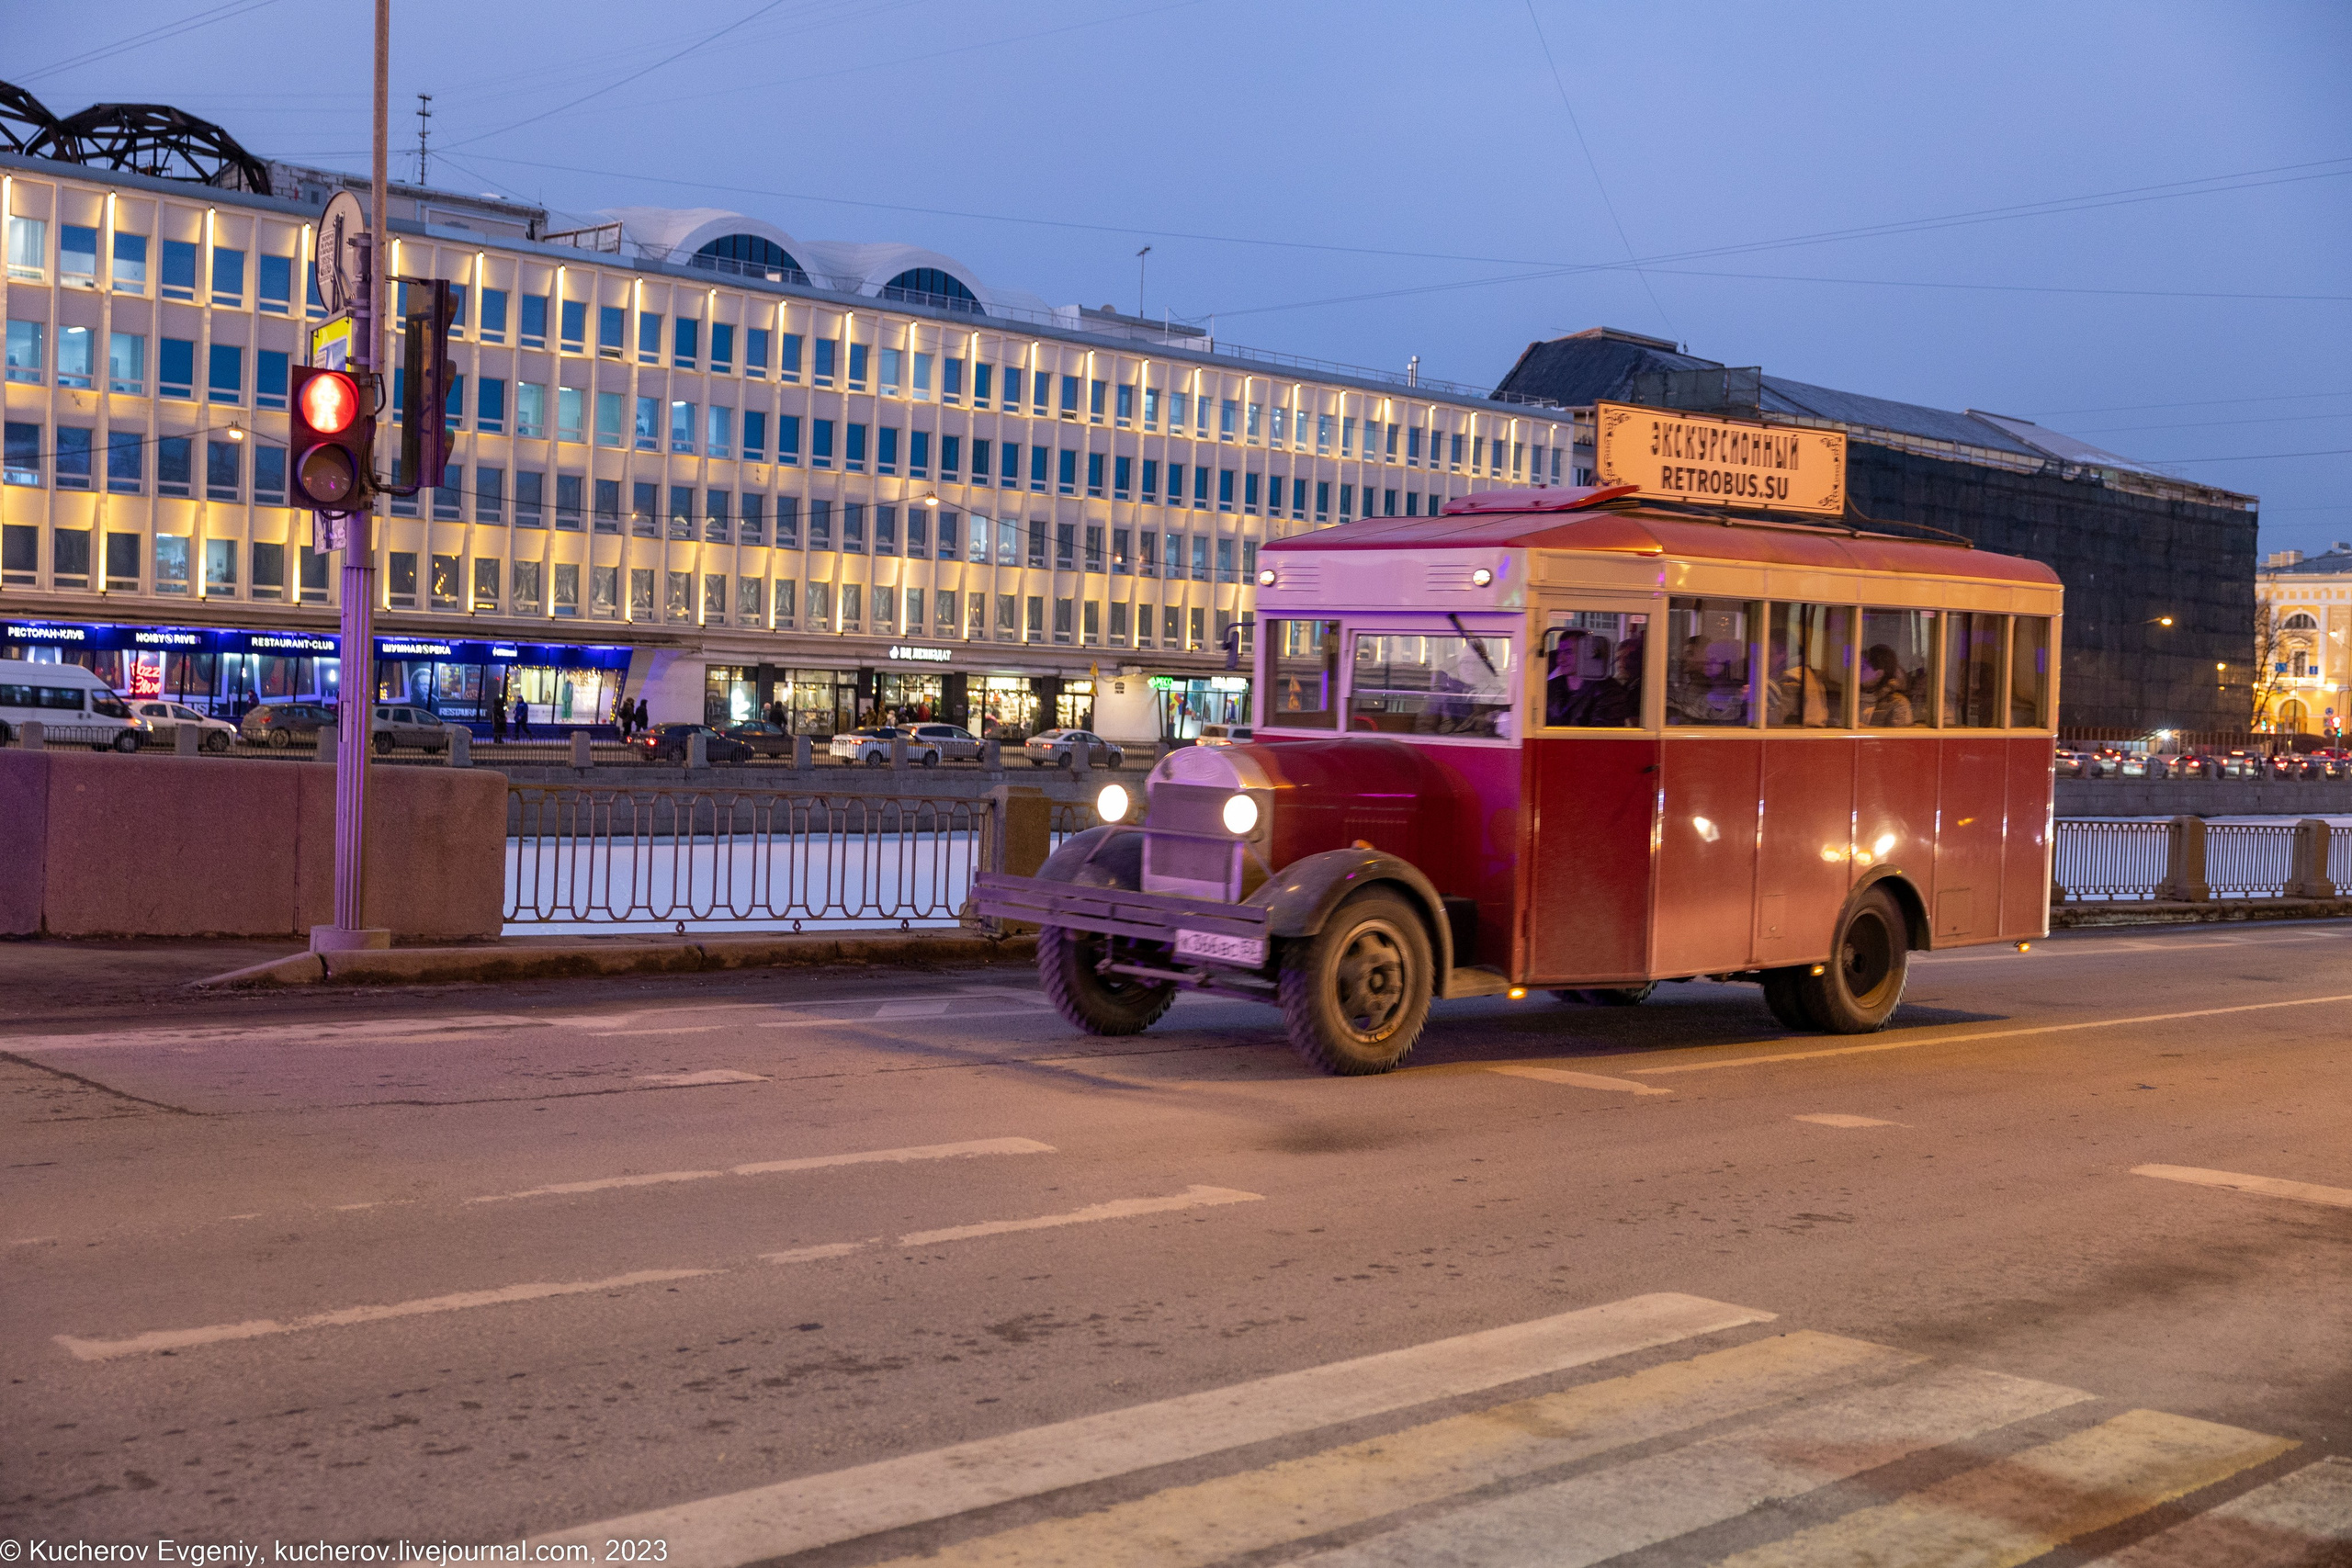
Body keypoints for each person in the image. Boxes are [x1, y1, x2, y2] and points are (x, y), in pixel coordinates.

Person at [1861, 644, 1915, 727]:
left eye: (1863, 667)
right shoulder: (1854, 697)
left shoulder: (1897, 704)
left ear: (1879, 673)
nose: (1857, 671)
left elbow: (1897, 737)